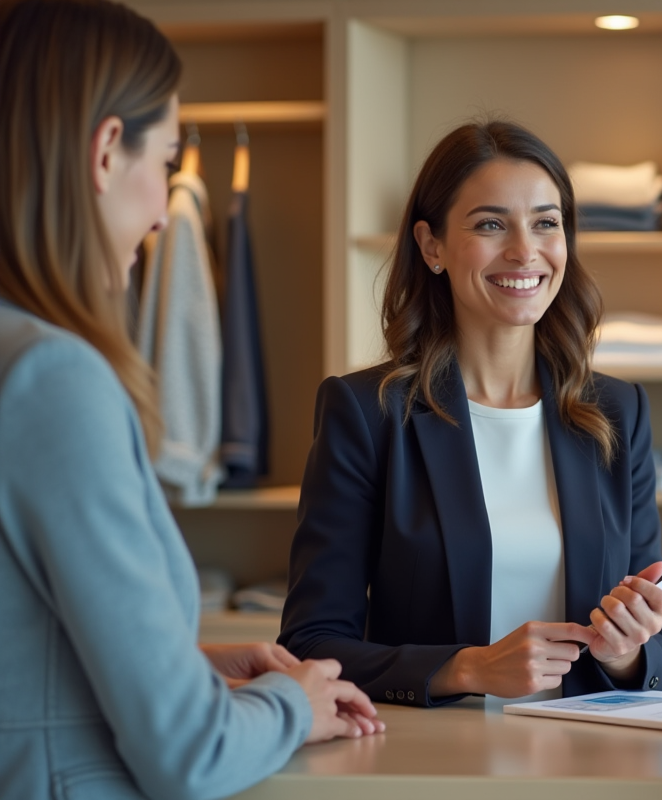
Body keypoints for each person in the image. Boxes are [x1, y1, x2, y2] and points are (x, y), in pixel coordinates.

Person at [0, 2, 381, 798]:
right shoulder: (51, 380)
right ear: (108, 151)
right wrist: (289, 703)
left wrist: (189, 667)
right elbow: (189, 756)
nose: (160, 209)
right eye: (168, 162)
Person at [279, 120, 662, 706]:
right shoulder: (368, 414)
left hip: (587, 755)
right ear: (431, 246)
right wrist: (465, 669)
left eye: (546, 223)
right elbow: (311, 644)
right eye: (491, 224)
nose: (525, 250)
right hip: (436, 761)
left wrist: (626, 653)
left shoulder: (617, 413)